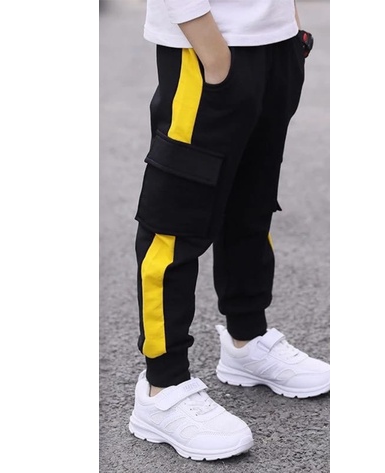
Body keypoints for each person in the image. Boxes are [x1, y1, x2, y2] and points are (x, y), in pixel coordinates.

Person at [129, 0, 329, 461]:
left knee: (251, 204)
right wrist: (215, 58)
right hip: (206, 48)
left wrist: (289, 28)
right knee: (175, 223)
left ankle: (247, 340)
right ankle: (162, 385)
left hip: (276, 45)